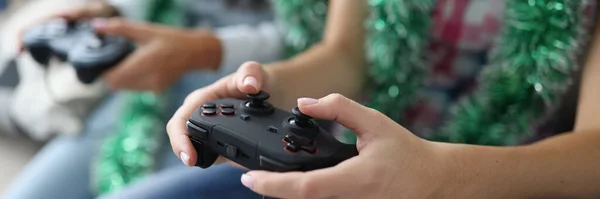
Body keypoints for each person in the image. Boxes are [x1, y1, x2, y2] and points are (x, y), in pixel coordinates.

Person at [166, 0, 600, 198]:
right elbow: (347, 56)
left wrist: (437, 175)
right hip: (334, 162)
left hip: (497, 177)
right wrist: (262, 89)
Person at [3, 0, 280, 198]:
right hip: (135, 104)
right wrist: (113, 13)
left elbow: (312, 43)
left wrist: (207, 50)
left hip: (244, 112)